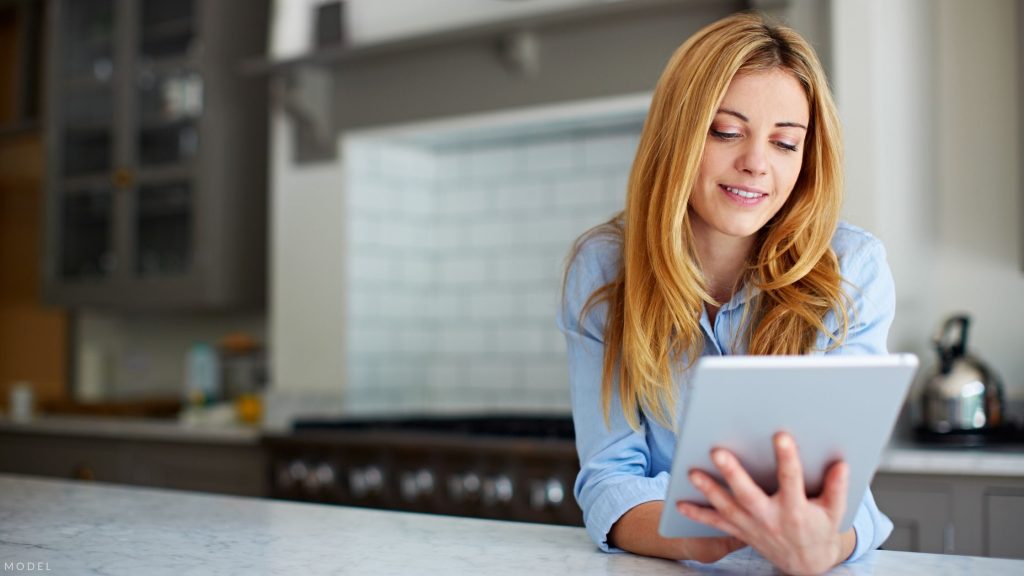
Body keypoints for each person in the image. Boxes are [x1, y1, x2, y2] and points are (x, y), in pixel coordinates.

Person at [557, 12, 895, 575]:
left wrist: (820, 546)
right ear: (678, 136)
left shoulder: (852, 269)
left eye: (786, 143)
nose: (757, 164)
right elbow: (610, 477)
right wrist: (702, 537)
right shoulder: (603, 270)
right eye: (726, 132)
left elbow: (844, 491)